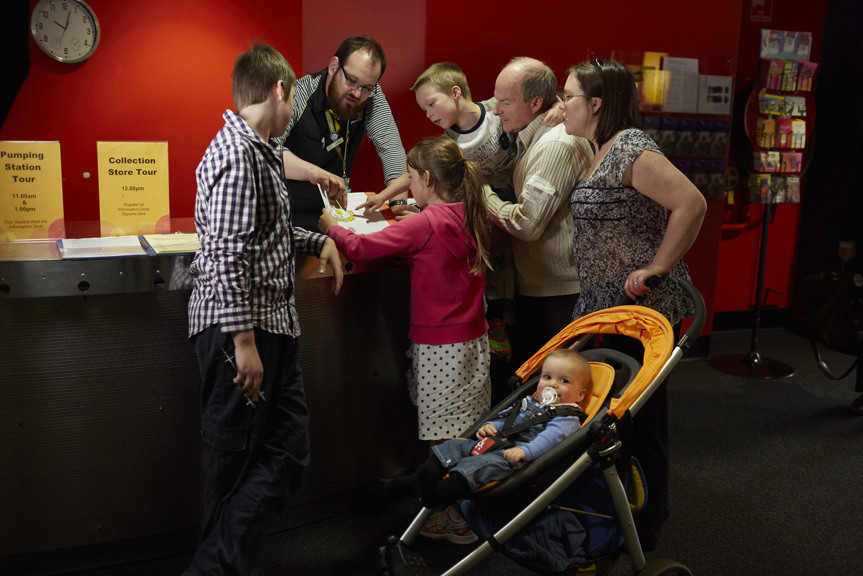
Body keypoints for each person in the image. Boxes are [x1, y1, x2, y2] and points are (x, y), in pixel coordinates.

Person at [184, 43, 344, 576]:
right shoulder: (236, 154)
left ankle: (215, 565)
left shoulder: (259, 151)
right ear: (280, 89)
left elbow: (261, 235)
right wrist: (244, 344)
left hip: (269, 327)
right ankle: (214, 569)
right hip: (243, 333)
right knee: (234, 465)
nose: (293, 104)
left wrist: (312, 241)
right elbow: (225, 255)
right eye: (293, 94)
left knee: (285, 453)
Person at [560, 57, 707, 550]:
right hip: (603, 306)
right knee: (611, 415)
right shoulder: (597, 149)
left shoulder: (631, 149)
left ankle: (647, 524)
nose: (561, 104)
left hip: (641, 311)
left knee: (641, 418)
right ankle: (619, 513)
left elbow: (692, 203)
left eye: (568, 96)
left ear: (596, 104)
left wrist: (658, 268)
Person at [319, 135, 493, 544]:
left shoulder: (424, 223)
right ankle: (468, 506)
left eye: (412, 178)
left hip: (438, 347)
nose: (409, 185)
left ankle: (454, 521)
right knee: (463, 429)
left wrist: (330, 227)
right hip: (473, 339)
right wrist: (408, 210)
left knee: (440, 437)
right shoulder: (472, 210)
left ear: (428, 179)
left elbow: (362, 247)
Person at [485, 57, 593, 369]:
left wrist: (480, 193)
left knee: (551, 394)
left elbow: (527, 224)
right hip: (542, 288)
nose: (495, 110)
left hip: (557, 297)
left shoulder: (555, 145)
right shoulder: (531, 135)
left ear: (535, 103)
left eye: (505, 101)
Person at [387, 348, 592, 507]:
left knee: (482, 465)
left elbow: (552, 438)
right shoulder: (531, 401)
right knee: (459, 445)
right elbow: (507, 418)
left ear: (580, 394)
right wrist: (491, 426)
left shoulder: (566, 416)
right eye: (547, 377)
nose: (553, 385)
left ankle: (441, 492)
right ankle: (428, 472)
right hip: (496, 440)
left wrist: (525, 451)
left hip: (515, 457)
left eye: (564, 380)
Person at [279, 35, 410, 230]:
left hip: (333, 213)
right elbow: (266, 150)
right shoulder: (300, 92)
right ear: (333, 66)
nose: (357, 93)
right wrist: (314, 172)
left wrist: (399, 206)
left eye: (366, 87)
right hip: (286, 211)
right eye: (351, 81)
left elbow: (392, 151)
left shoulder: (371, 97)